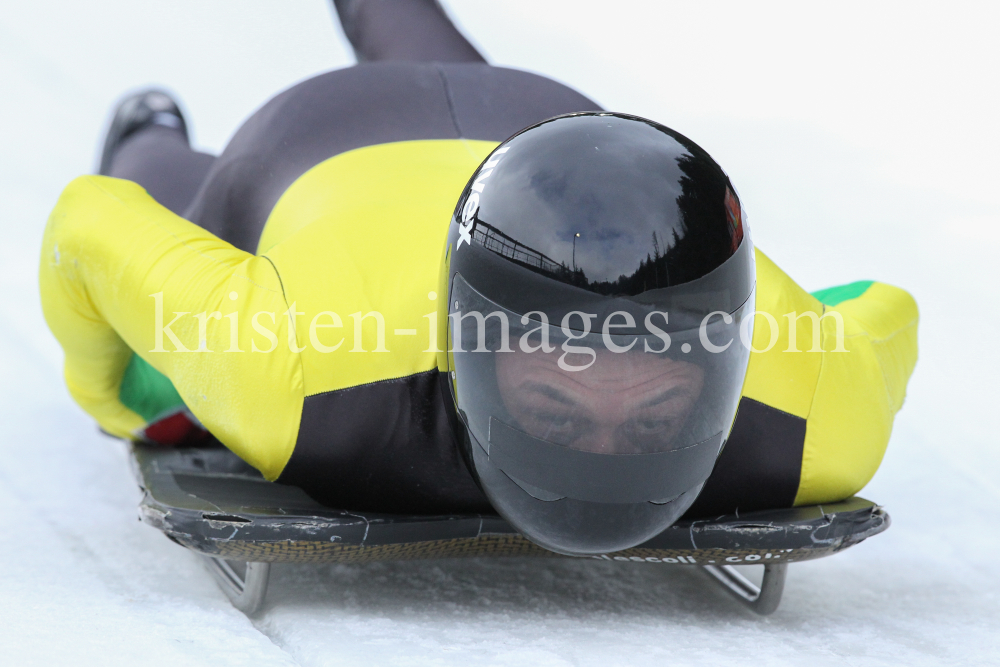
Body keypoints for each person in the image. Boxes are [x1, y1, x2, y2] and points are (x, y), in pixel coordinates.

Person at [39, 0, 918, 555]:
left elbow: (878, 313)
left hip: (539, 125)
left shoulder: (816, 405)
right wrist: (121, 386)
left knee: (428, 41)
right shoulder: (297, 368)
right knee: (166, 178)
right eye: (552, 410)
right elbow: (90, 217)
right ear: (465, 357)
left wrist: (111, 389)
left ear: (723, 368)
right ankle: (150, 129)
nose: (598, 469)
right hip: (323, 138)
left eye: (657, 419)